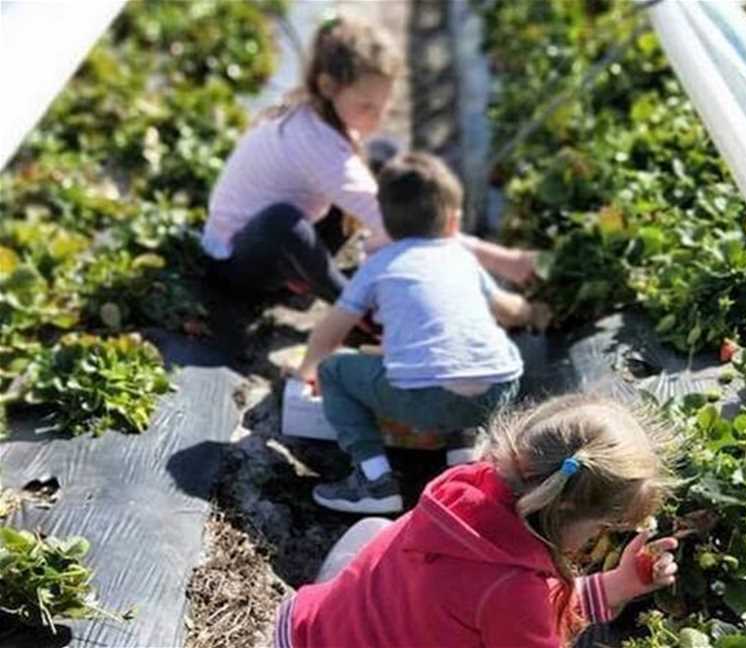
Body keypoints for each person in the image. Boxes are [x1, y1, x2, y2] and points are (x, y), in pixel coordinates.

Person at [273, 393, 680, 648]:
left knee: (374, 531)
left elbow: (496, 603)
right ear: (568, 509)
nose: (595, 542)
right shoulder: (515, 592)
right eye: (600, 530)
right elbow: (516, 608)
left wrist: (617, 586)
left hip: (303, 628)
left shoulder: (463, 487)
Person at [202, 16, 538, 308]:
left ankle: (343, 264)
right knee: (285, 223)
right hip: (238, 263)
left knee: (385, 159)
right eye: (366, 107)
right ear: (328, 86)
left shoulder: (318, 111)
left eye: (384, 107)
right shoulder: (315, 144)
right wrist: (507, 262)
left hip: (281, 246)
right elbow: (409, 223)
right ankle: (355, 312)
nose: (376, 119)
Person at [291, 152, 548, 514]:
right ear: (453, 221)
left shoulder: (380, 264)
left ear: (385, 221)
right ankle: (464, 450)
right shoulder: (460, 256)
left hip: (421, 397)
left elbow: (330, 332)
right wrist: (536, 311)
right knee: (459, 357)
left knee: (334, 371)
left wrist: (305, 374)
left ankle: (374, 480)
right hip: (498, 390)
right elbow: (509, 309)